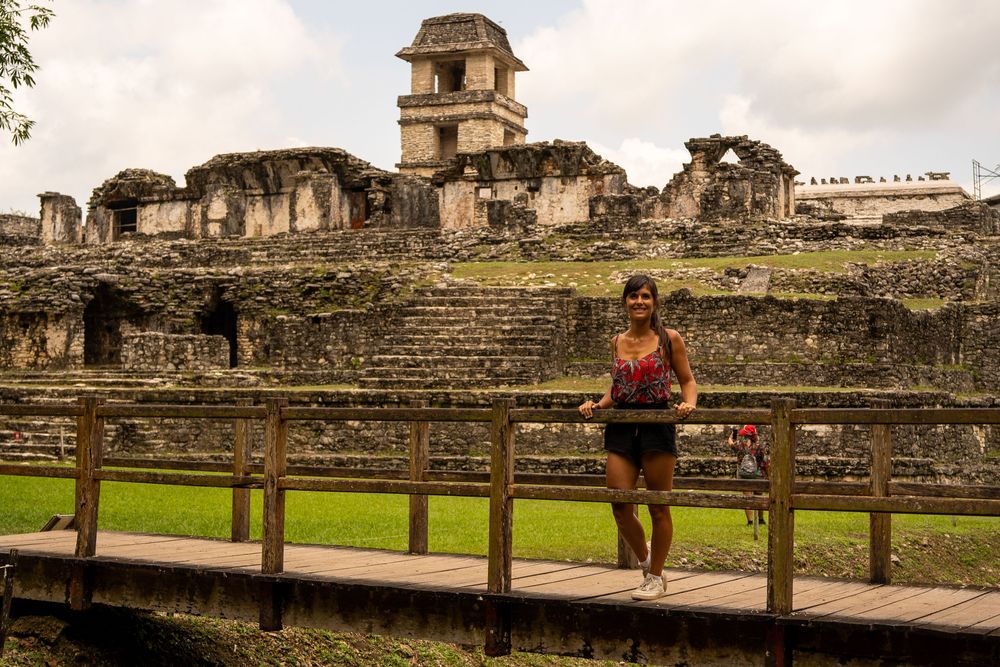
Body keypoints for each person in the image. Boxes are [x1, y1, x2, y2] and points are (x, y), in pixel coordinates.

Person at [578, 274, 697, 601]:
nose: (639, 302)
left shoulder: (669, 339)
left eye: (645, 296)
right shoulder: (616, 341)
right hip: (621, 424)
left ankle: (656, 577)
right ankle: (647, 563)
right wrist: (597, 404)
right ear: (625, 303)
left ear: (654, 302)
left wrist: (689, 403)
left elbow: (687, 380)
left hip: (657, 422)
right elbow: (620, 387)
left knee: (659, 506)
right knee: (619, 501)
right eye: (633, 296)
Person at [728, 424, 768, 525]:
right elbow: (765, 461)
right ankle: (761, 519)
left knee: (747, 497)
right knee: (759, 497)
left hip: (744, 474)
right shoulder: (760, 446)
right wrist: (766, 474)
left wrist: (732, 435)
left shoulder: (740, 444)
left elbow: (730, 444)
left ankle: (750, 521)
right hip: (758, 474)